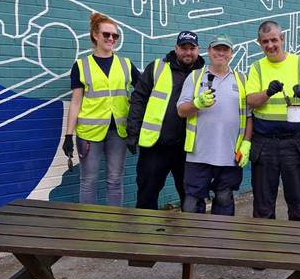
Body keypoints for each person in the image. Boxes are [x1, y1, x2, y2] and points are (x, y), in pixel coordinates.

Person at [63, 12, 139, 206]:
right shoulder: (81, 65)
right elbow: (76, 102)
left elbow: (143, 92)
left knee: (115, 180)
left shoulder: (126, 64)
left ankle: (113, 224)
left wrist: (136, 119)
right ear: (95, 35)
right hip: (89, 133)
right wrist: (68, 136)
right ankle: (89, 226)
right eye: (107, 34)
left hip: (119, 132)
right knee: (88, 181)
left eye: (115, 36)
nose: (111, 39)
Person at [245, 20, 300, 222]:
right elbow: (251, 100)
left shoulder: (298, 63)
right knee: (263, 205)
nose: (270, 45)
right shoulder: (256, 67)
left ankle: (298, 249)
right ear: (259, 42)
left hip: (294, 143)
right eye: (265, 41)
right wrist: (267, 92)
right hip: (265, 143)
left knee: (298, 203)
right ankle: (264, 250)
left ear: (282, 39)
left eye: (274, 40)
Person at [126, 31, 205, 209]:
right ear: (176, 48)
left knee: (191, 198)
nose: (188, 52)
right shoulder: (157, 68)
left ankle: (190, 236)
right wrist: (132, 131)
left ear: (198, 50)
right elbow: (139, 99)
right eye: (183, 48)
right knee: (147, 196)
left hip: (189, 150)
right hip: (156, 147)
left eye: (192, 48)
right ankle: (145, 235)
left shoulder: (205, 75)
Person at [176, 34, 253, 215]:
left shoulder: (242, 80)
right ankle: (192, 241)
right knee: (191, 203)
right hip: (198, 154)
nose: (220, 53)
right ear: (209, 51)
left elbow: (249, 116)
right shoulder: (195, 77)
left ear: (231, 54)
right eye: (216, 49)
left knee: (224, 198)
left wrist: (247, 143)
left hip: (230, 154)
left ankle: (219, 242)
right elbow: (181, 111)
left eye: (225, 49)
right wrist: (197, 103)